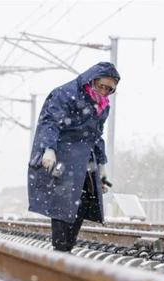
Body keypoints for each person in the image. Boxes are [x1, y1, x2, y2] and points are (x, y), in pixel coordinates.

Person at [27, 62, 120, 252]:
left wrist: (101, 164)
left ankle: (67, 247)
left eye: (109, 89)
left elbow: (96, 135)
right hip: (63, 155)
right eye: (101, 85)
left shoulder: (103, 106)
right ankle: (60, 247)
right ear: (92, 80)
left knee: (82, 201)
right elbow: (50, 122)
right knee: (63, 202)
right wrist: (49, 149)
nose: (103, 91)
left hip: (85, 158)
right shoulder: (65, 94)